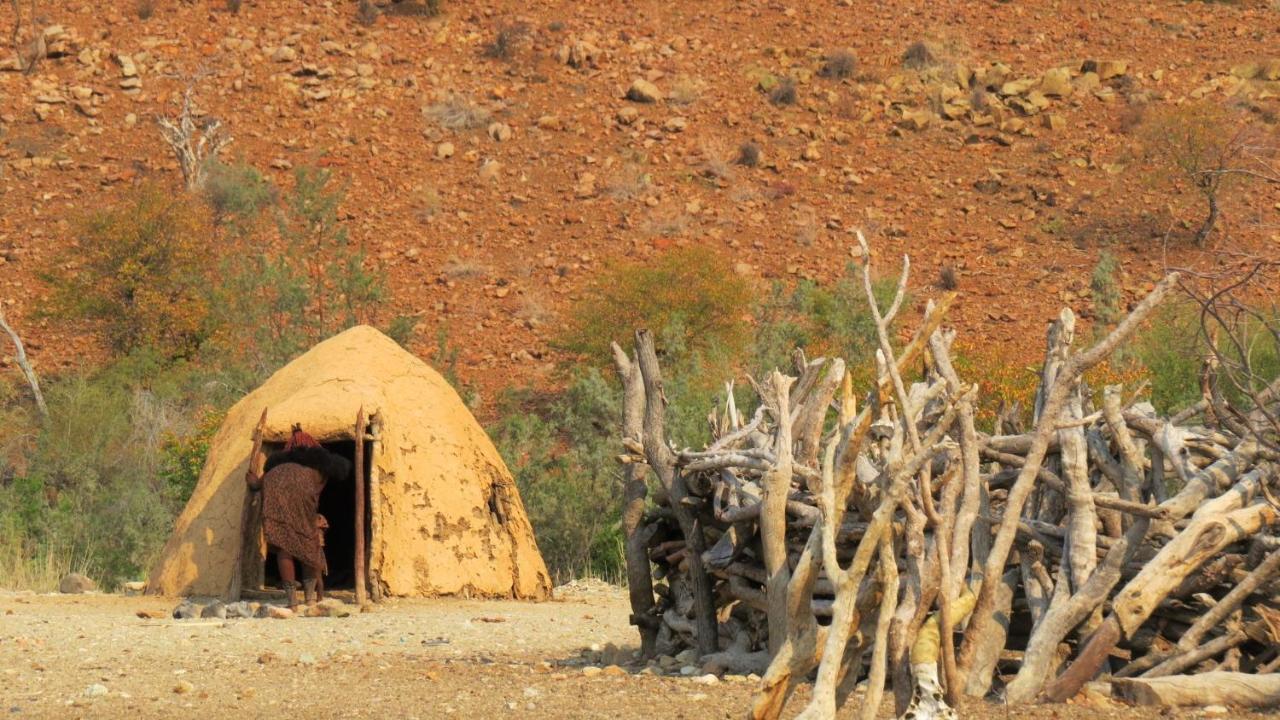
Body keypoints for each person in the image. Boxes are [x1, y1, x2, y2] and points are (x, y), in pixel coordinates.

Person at [245, 424, 350, 608]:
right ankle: (310, 599)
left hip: (276, 502)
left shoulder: (276, 468)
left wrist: (253, 481)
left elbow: (257, 484)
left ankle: (292, 601)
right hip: (302, 506)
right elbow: (316, 491)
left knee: (284, 546)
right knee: (308, 545)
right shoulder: (318, 469)